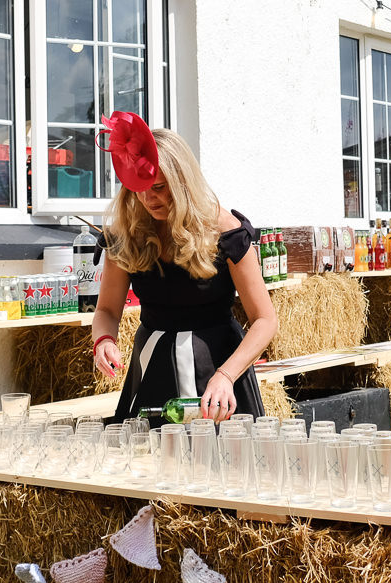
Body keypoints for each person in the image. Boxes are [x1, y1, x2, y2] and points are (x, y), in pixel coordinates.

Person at [90, 114, 277, 421]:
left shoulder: (225, 231)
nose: (149, 198)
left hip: (217, 371)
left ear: (183, 183)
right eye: (141, 187)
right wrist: (104, 340)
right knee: (147, 460)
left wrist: (227, 375)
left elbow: (265, 319)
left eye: (160, 187)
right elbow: (107, 312)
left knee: (220, 464)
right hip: (153, 368)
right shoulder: (127, 232)